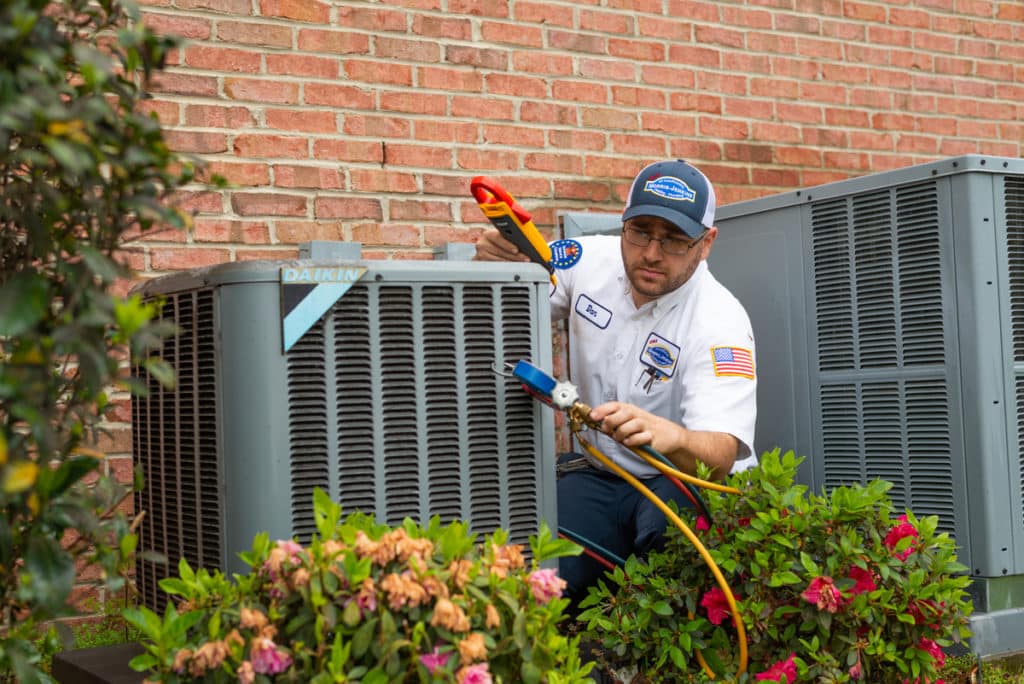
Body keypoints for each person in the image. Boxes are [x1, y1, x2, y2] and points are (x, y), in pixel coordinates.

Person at [474, 159, 757, 607]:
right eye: (641, 231)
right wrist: (496, 264)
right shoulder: (586, 259)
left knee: (673, 570)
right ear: (622, 224)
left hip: (683, 479)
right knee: (537, 570)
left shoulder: (720, 321)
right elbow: (508, 300)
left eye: (675, 241)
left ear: (707, 244)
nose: (651, 253)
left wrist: (672, 435)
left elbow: (721, 455)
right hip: (604, 474)